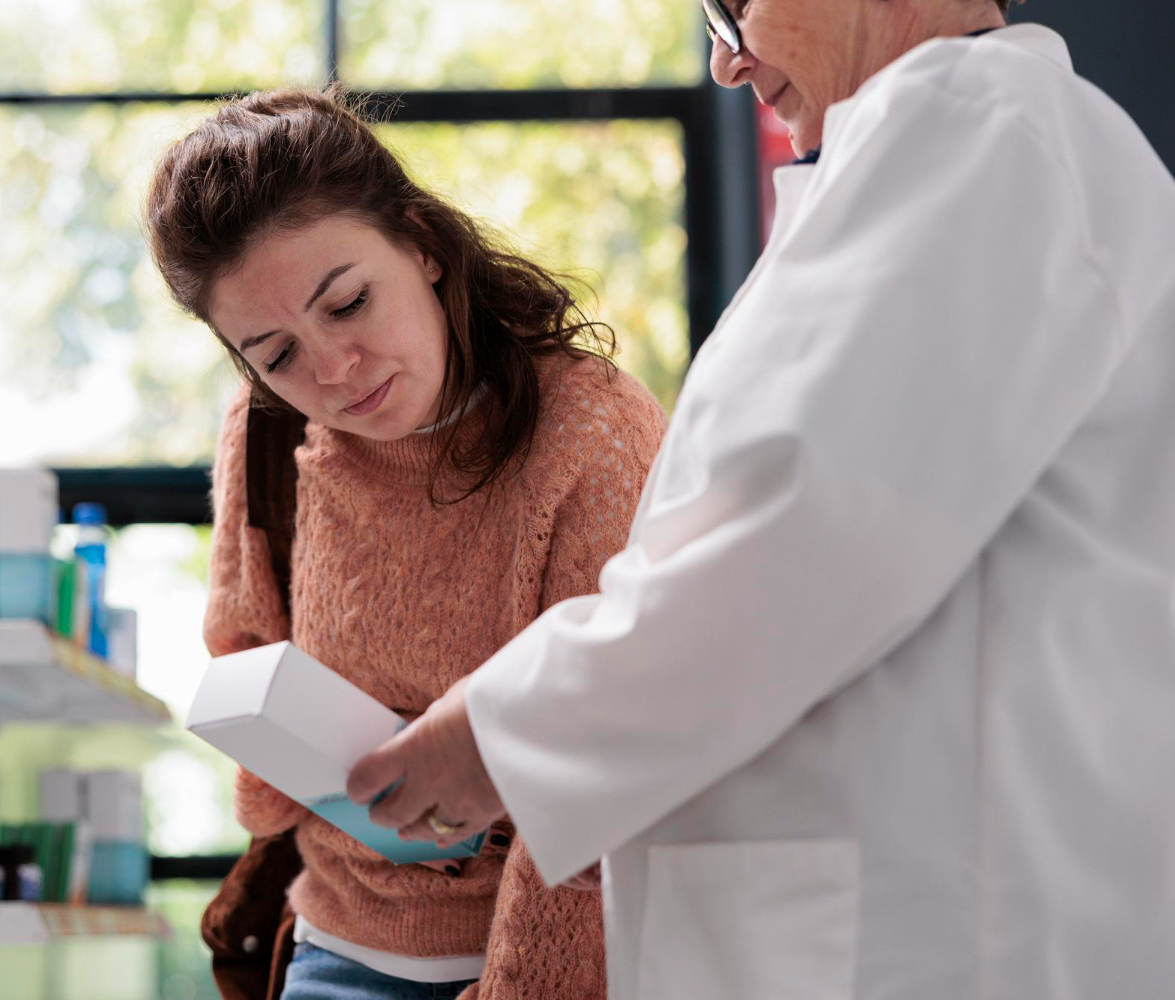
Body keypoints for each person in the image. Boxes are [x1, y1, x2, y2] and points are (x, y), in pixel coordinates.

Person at [348, 2, 1175, 998]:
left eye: (732, 7)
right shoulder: (953, 147)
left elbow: (809, 531)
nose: (726, 62)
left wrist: (501, 729)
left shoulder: (984, 127)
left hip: (939, 939)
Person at [145, 89, 668, 999]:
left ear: (422, 244)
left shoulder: (590, 431)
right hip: (331, 949)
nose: (332, 371)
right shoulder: (266, 431)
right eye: (275, 354)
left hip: (544, 959)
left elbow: (606, 765)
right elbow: (245, 656)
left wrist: (518, 989)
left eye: (347, 303)